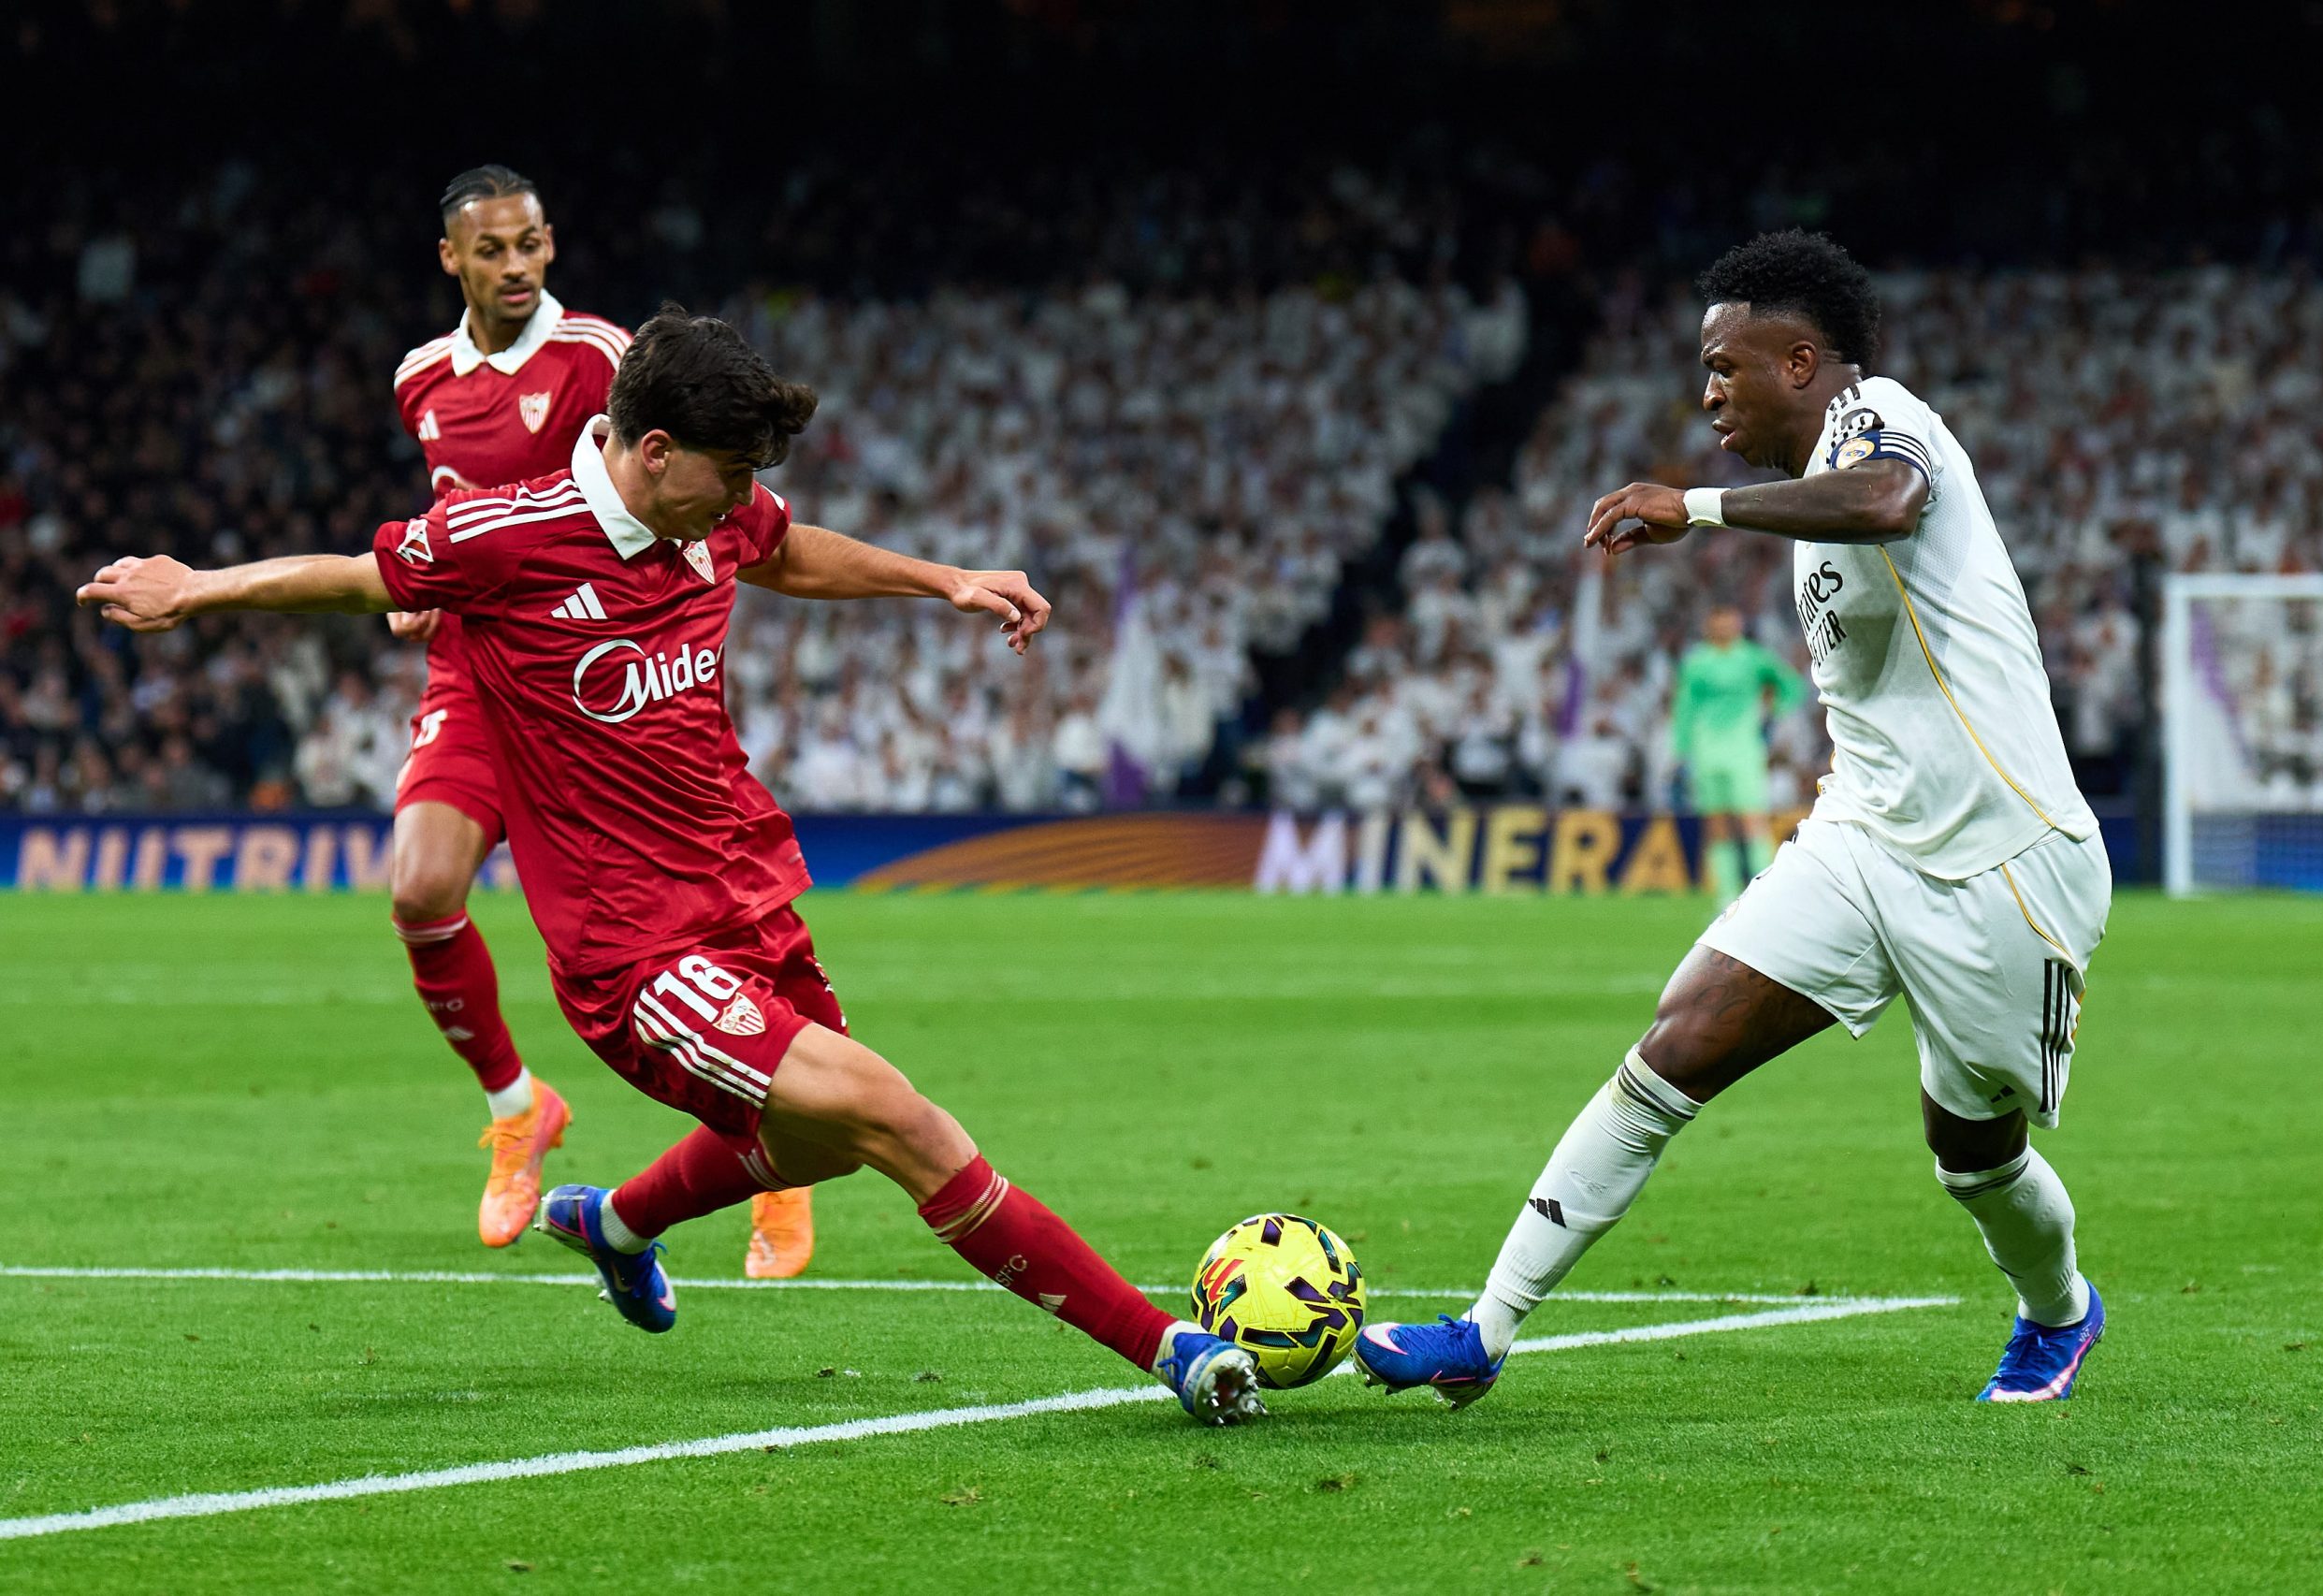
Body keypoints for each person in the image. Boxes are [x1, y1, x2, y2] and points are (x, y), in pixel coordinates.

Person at [80, 306, 1265, 1424]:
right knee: (898, 1118)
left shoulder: (715, 514)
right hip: (634, 952)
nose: (746, 499)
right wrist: (196, 589)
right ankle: (1171, 1346)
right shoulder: (510, 536)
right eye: (730, 474)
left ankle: (617, 1221)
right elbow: (357, 574)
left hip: (746, 894)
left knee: (814, 1145)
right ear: (653, 450)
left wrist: (942, 579)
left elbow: (790, 550)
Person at [1356, 231, 2111, 1406]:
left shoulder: (1884, 417)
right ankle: (1483, 1330)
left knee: (1974, 1157)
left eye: (1725, 366)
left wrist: (1697, 505)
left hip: (2001, 863)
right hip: (1861, 839)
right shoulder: (1809, 493)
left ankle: (2059, 1310)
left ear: (1803, 362)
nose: (1706, 391)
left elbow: (1890, 499)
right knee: (1675, 1042)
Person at [388, 164, 813, 1274]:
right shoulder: (420, 379)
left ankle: (780, 1160)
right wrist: (417, 593)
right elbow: (454, 523)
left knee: (704, 906)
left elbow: (698, 508)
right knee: (419, 888)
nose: (518, 265)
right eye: (493, 249)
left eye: (531, 242)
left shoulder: (603, 358)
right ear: (453, 260)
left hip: (603, 674)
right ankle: (518, 1104)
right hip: (479, 676)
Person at [1673, 604, 1810, 910]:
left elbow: (1791, 684)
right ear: (1710, 623)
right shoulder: (1697, 662)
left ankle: (1763, 890)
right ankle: (1726, 894)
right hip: (1706, 751)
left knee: (1751, 820)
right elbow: (1684, 707)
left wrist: (1774, 710)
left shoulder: (1753, 658)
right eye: (1718, 618)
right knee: (1717, 823)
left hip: (1743, 750)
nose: (1725, 624)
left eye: (1730, 618)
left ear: (1738, 622)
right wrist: (1681, 750)